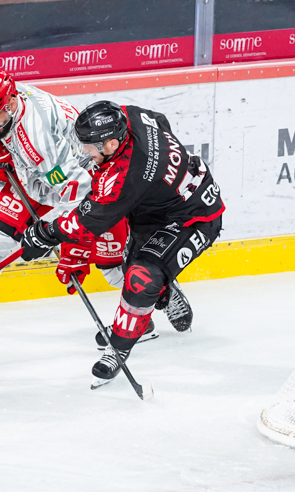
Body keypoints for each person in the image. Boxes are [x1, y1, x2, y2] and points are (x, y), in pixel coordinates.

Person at [21, 100, 225, 388]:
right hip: (155, 205)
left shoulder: (125, 178)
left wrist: (45, 233)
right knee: (132, 267)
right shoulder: (129, 115)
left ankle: (118, 348)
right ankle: (155, 306)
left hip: (193, 216)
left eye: (90, 147)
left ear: (113, 143)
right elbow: (160, 120)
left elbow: (86, 221)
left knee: (141, 278)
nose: (85, 152)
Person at [0, 70, 129, 332]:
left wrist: (61, 239)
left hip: (80, 177)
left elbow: (76, 191)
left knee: (111, 265)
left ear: (9, 104)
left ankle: (156, 294)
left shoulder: (37, 140)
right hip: (36, 176)